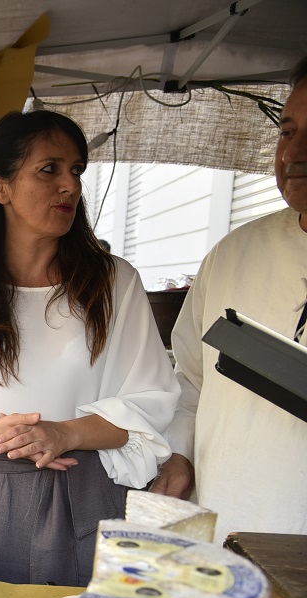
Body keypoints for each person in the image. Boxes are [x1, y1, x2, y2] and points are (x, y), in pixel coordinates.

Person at [0, 111, 178, 587]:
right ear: (0, 187)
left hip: (90, 493)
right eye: (50, 169)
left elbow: (150, 403)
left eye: (76, 170)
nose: (70, 185)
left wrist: (65, 432)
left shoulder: (115, 284)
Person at [150, 55, 307, 540]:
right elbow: (191, 378)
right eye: (287, 131)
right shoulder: (233, 254)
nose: (295, 153)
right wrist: (181, 453)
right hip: (227, 539)